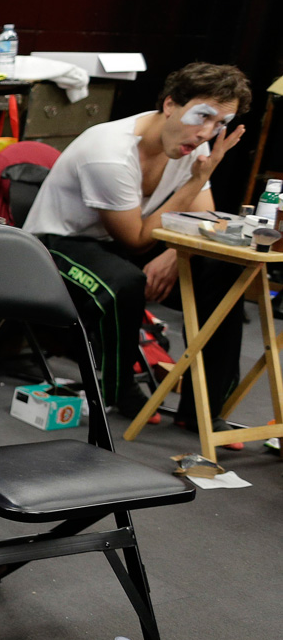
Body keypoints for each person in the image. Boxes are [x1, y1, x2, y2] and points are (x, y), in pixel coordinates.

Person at [24, 62, 252, 439]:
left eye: (220, 124)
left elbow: (204, 221)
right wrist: (197, 179)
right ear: (169, 106)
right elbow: (136, 240)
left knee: (224, 271)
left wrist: (177, 256)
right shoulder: (110, 151)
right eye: (203, 116)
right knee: (124, 282)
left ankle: (203, 407)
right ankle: (119, 388)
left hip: (127, 242)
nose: (206, 133)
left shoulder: (195, 141)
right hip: (56, 244)